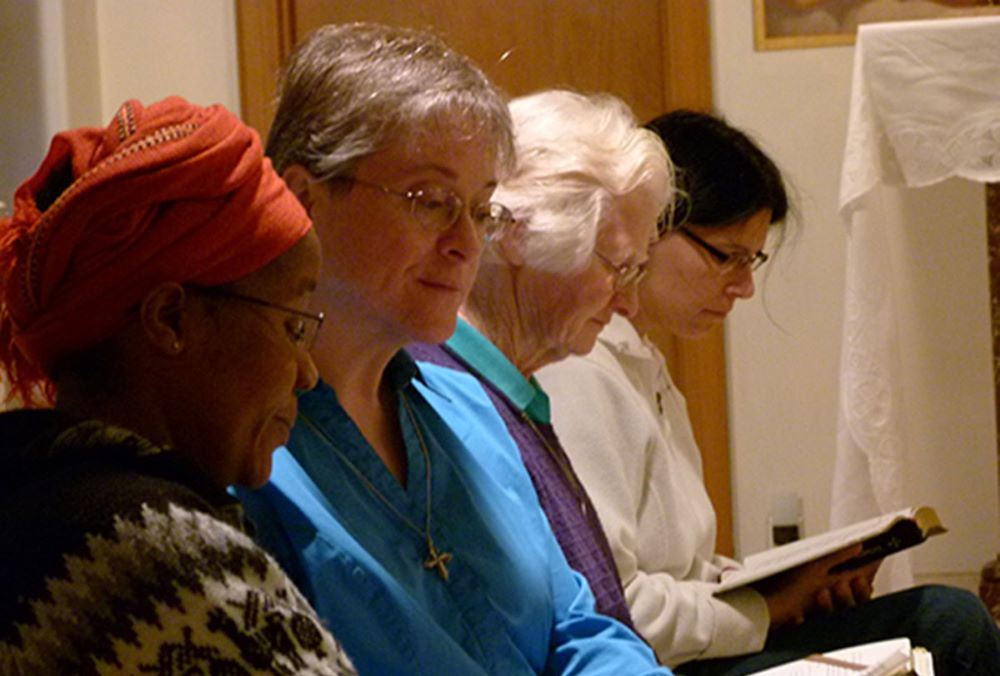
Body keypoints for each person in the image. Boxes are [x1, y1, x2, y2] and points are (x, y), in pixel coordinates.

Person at [235, 23, 669, 675]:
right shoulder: (244, 444)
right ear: (304, 198)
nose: (467, 242)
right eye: (430, 201)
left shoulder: (466, 405)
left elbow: (582, 627)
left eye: (482, 208)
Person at [536, 109, 1000, 674]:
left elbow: (680, 569)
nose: (744, 286)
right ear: (651, 227)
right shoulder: (580, 368)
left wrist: (783, 584)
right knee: (946, 626)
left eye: (751, 260)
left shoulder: (642, 363)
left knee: (942, 620)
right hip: (652, 662)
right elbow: (614, 604)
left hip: (692, 644)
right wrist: (765, 608)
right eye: (726, 255)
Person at [0, 97, 355, 674]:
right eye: (293, 326)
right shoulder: (165, 564)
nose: (307, 372)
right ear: (169, 318)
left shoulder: (28, 492)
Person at [408, 88, 671, 630]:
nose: (629, 302)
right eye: (618, 267)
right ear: (519, 236)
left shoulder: (509, 391)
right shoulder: (441, 400)